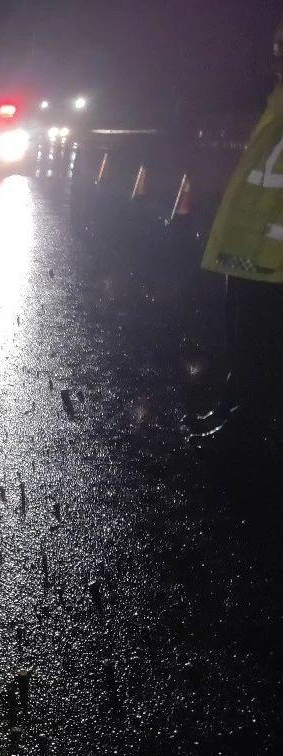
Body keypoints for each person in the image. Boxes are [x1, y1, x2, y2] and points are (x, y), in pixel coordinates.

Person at [192, 17, 283, 443]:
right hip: (250, 248)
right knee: (242, 332)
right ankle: (234, 402)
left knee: (261, 339)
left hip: (273, 256)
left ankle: (248, 421)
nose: (277, 58)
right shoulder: (275, 104)